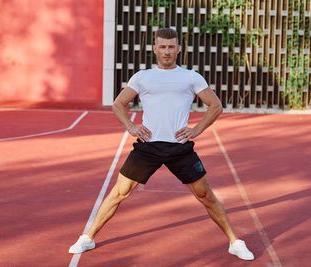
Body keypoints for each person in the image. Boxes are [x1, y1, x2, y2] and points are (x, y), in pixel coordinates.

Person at [69, 28, 254, 261]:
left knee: (205, 195)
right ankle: (88, 238)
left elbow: (215, 105)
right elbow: (119, 103)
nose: (167, 51)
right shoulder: (142, 77)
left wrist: (196, 129)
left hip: (179, 148)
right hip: (148, 147)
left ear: (178, 49)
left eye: (171, 47)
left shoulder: (191, 77)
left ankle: (235, 242)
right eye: (162, 47)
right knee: (119, 193)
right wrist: (131, 127)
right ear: (155, 49)